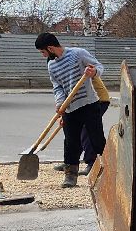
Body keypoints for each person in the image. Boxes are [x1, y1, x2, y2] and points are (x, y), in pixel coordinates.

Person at [34, 32, 108, 187]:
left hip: (89, 104)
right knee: (71, 143)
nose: (42, 55)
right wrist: (60, 103)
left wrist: (93, 72)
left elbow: (100, 67)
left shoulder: (78, 54)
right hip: (70, 109)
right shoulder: (51, 65)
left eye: (42, 52)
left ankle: (109, 170)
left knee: (97, 139)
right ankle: (70, 176)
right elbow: (57, 87)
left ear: (50, 48)